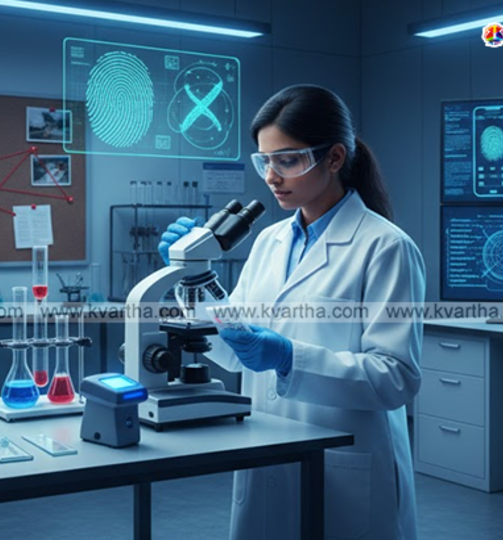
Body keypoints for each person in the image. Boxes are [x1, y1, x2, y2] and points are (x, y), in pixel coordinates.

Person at [159, 84, 426, 540]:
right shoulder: (269, 241)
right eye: (264, 161)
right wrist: (192, 276)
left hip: (348, 465)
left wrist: (289, 357)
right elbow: (232, 343)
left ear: (335, 158)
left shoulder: (385, 247)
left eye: (288, 160)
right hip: (266, 451)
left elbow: (395, 377)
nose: (271, 177)